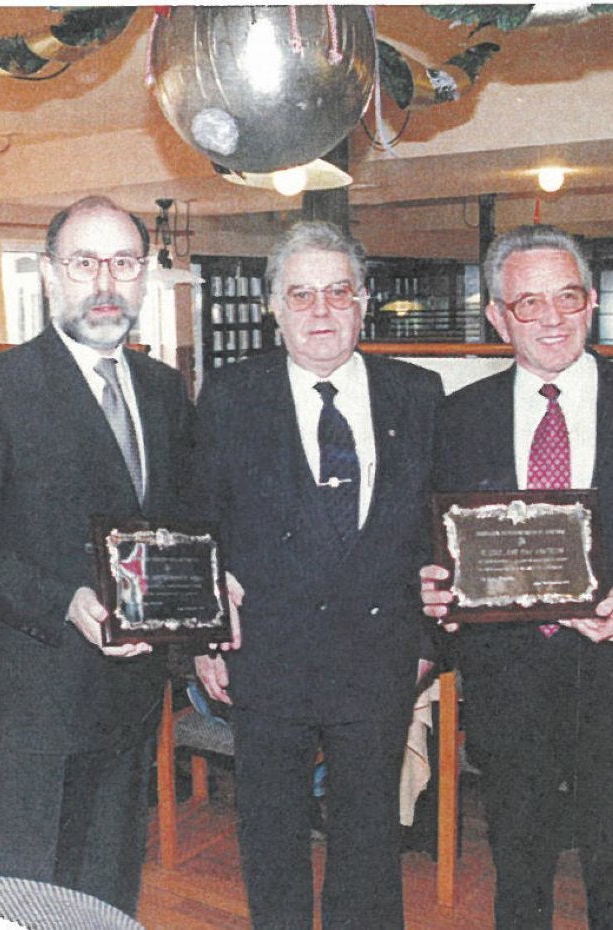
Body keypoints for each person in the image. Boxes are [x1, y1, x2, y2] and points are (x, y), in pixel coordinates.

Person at [420, 224, 613, 929]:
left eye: (566, 297)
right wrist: (436, 589)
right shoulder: (458, 418)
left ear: (592, 303)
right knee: (518, 875)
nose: (550, 318)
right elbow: (436, 545)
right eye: (527, 303)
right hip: (508, 686)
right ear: (496, 315)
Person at [0, 196, 192, 913]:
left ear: (144, 277)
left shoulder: (166, 391)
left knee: (110, 898)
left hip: (134, 700)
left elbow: (178, 526)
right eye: (84, 263)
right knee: (33, 901)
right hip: (36, 705)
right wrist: (63, 601)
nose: (105, 282)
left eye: (124, 263)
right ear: (49, 275)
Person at [193, 221, 443, 929]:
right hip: (265, 658)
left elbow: (438, 531)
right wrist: (206, 637)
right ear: (273, 307)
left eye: (338, 291)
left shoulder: (418, 395)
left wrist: (430, 638)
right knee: (270, 840)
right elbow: (201, 525)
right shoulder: (230, 397)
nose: (322, 310)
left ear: (364, 301)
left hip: (381, 656)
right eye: (300, 294)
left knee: (370, 843)